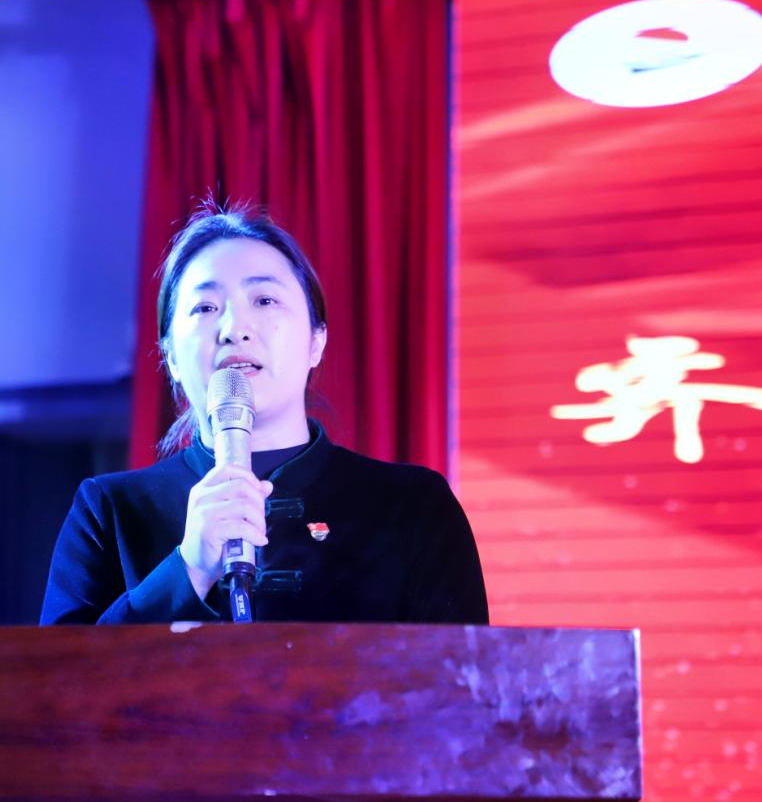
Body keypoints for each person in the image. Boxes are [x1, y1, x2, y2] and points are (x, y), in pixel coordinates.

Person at [40, 207, 487, 625]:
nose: (235, 329)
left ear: (316, 342)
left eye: (265, 300)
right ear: (170, 356)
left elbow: (464, 676)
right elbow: (57, 678)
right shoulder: (109, 511)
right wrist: (187, 568)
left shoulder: (414, 508)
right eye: (205, 308)